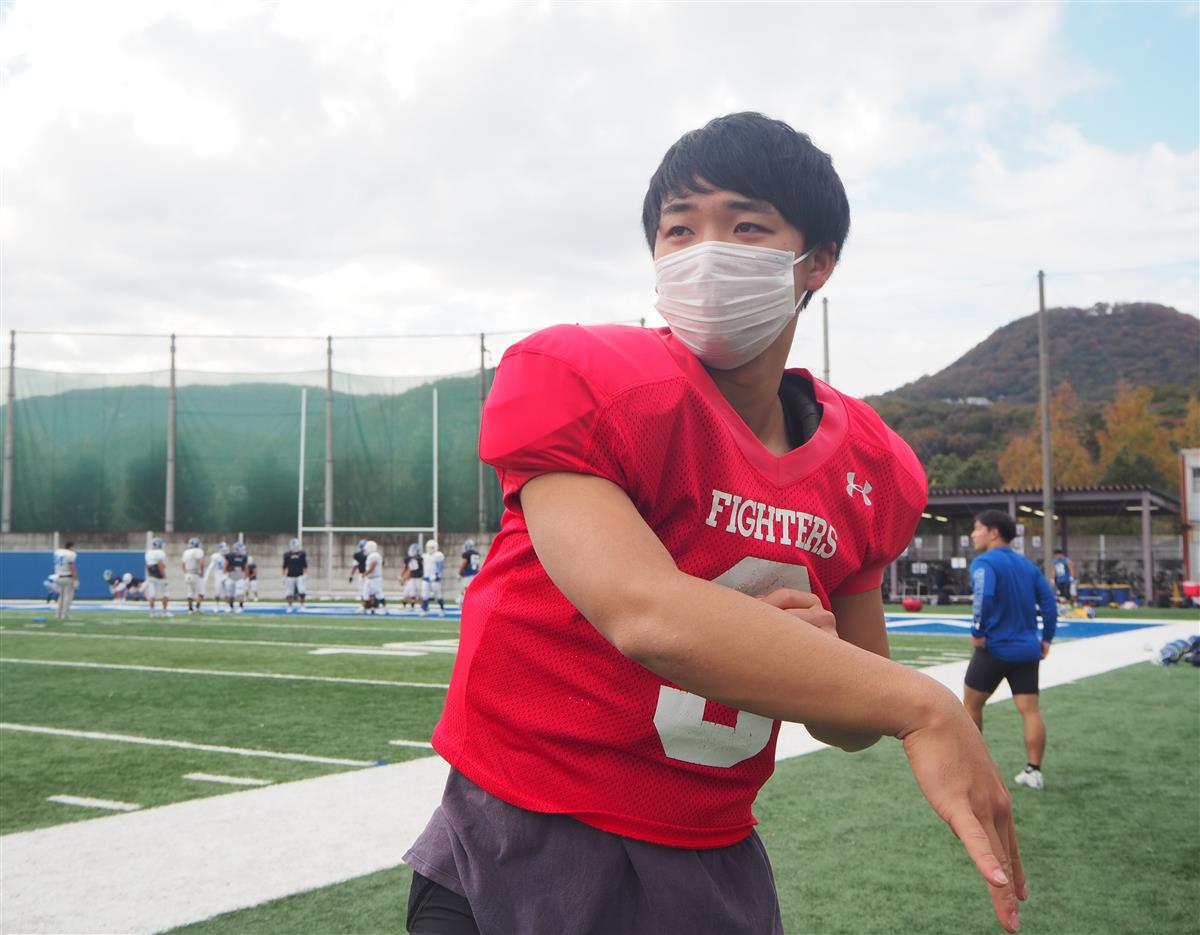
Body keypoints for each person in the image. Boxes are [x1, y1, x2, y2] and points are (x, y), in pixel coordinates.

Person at [403, 112, 1025, 935]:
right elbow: (644, 611)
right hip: (519, 837)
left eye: (745, 226)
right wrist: (926, 704)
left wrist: (824, 653)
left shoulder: (866, 468)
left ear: (818, 262)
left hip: (710, 859)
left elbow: (847, 723)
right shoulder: (591, 381)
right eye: (678, 229)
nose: (704, 251)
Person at [964, 510, 1058, 792]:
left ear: (993, 533)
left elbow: (984, 596)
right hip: (1027, 650)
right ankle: (1034, 770)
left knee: (970, 705)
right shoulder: (1028, 566)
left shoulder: (984, 563)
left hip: (994, 649)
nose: (973, 534)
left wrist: (977, 632)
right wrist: (1046, 639)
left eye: (977, 529)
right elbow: (1050, 603)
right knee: (1030, 711)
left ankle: (975, 769)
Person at [144, 536, 171, 618]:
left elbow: (147, 565)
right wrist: (164, 576)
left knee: (152, 595)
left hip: (151, 575)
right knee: (165, 593)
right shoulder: (160, 553)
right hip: (159, 576)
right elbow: (160, 565)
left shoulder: (148, 553)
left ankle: (152, 613)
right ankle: (164, 612)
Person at [51, 540, 79, 621]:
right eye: (74, 547)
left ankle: (58, 614)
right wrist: (76, 578)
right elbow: (71, 567)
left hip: (58, 577)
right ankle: (64, 614)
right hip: (67, 576)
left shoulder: (58, 552)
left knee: (61, 596)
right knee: (68, 597)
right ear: (71, 547)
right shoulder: (71, 554)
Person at [282, 538, 309, 613]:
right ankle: (289, 606)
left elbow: (305, 565)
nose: (294, 547)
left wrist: (305, 574)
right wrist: (283, 576)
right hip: (290, 576)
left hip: (300, 575)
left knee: (302, 591)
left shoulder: (302, 554)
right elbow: (284, 566)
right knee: (289, 592)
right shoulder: (287, 555)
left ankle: (302, 605)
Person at [420, 539, 445, 617]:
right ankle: (424, 609)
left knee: (438, 595)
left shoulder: (438, 555)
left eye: (432, 547)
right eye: (429, 547)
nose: (430, 549)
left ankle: (442, 608)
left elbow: (440, 567)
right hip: (426, 577)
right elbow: (424, 567)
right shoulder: (424, 556)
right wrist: (423, 575)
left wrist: (436, 575)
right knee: (424, 594)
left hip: (435, 578)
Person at [181, 537, 206, 614]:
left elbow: (183, 565)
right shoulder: (198, 551)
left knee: (190, 592)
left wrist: (186, 573)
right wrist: (202, 572)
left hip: (188, 574)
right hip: (195, 573)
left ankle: (190, 609)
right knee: (201, 592)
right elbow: (201, 562)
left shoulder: (186, 552)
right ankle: (197, 608)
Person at [362, 540, 387, 614]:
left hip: (375, 578)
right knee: (365, 593)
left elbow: (372, 567)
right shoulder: (373, 555)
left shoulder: (374, 555)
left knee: (378, 594)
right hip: (370, 578)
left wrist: (365, 573)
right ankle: (364, 608)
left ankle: (385, 608)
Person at [225, 541, 249, 613]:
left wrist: (246, 576)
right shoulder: (230, 556)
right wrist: (225, 573)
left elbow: (245, 567)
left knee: (240, 593)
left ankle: (241, 607)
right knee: (230, 593)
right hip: (231, 575)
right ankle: (231, 607)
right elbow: (226, 565)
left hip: (240, 576)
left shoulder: (244, 557)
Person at [203, 542, 228, 613]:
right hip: (218, 575)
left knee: (227, 592)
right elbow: (210, 566)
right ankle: (216, 606)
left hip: (226, 575)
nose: (224, 551)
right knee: (217, 592)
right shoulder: (215, 556)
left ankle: (227, 606)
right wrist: (206, 576)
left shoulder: (228, 556)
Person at [400, 543, 424, 612]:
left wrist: (423, 576)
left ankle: (423, 606)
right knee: (408, 593)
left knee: (420, 593)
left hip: (418, 577)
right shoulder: (408, 558)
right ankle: (409, 606)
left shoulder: (420, 558)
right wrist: (402, 577)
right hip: (411, 578)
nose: (412, 551)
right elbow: (406, 568)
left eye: (414, 550)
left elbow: (423, 567)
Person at [349, 538, 369, 612]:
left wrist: (351, 576)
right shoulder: (372, 555)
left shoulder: (357, 555)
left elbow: (355, 566)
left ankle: (363, 605)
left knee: (363, 591)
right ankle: (368, 605)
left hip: (363, 575)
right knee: (367, 591)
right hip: (370, 576)